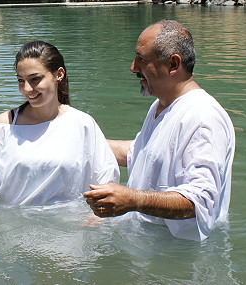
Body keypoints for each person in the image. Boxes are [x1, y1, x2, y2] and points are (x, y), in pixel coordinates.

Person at [84, 20, 235, 241]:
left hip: (181, 261)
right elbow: (141, 153)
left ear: (173, 64)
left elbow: (199, 202)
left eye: (141, 59)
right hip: (146, 245)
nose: (133, 67)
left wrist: (133, 200)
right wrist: (81, 141)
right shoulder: (162, 105)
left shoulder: (203, 117)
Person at [0, 40, 120, 221]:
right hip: (13, 225)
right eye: (21, 80)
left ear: (59, 74)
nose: (27, 89)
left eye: (35, 79)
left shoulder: (82, 124)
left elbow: (105, 176)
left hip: (68, 227)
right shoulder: (6, 125)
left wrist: (96, 216)